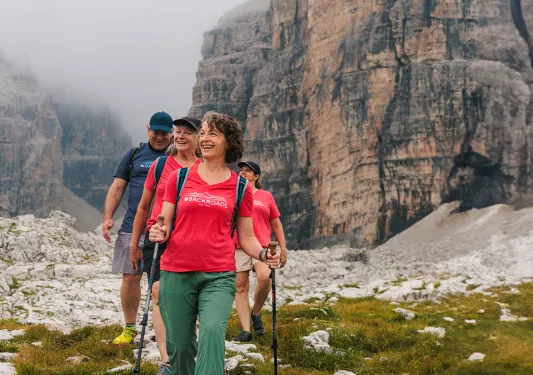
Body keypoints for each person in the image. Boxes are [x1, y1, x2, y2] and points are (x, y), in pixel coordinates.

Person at [149, 111, 281, 375]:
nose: (205, 138)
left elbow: (246, 237)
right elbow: (163, 222)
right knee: (181, 347)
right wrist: (158, 232)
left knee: (211, 331)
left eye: (213, 133)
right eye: (204, 133)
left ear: (228, 142)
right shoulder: (179, 178)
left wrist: (264, 254)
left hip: (218, 274)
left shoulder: (240, 187)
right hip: (176, 271)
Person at [129, 117, 202, 374]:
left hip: (192, 239)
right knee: (158, 291)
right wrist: (135, 242)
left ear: (198, 138)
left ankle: (187, 351)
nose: (181, 136)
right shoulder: (160, 165)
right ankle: (168, 360)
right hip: (158, 237)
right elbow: (143, 205)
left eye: (187, 132)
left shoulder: (206, 168)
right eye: (178, 132)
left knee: (187, 297)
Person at [102, 111, 173, 345]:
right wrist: (108, 217)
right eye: (156, 132)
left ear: (171, 133)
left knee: (166, 283)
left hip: (168, 230)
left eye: (165, 133)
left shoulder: (179, 157)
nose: (160, 137)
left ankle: (170, 329)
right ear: (148, 129)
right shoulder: (133, 155)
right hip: (133, 226)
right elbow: (117, 186)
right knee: (130, 278)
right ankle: (130, 328)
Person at [232, 161, 287, 342]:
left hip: (261, 246)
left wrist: (283, 248)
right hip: (238, 245)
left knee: (265, 278)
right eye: (241, 170)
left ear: (256, 176)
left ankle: (255, 313)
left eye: (248, 171)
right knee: (241, 286)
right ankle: (246, 331)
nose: (243, 173)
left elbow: (276, 224)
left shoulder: (266, 196)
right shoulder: (234, 194)